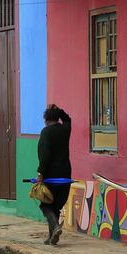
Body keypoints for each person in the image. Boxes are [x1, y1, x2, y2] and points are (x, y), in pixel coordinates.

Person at [36, 104, 72, 245]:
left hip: (51, 175)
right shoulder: (65, 129)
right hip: (65, 174)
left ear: (46, 119)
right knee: (55, 205)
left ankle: (56, 227)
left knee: (45, 205)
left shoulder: (46, 132)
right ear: (57, 118)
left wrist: (41, 173)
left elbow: (45, 155)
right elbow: (68, 119)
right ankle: (52, 237)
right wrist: (59, 111)